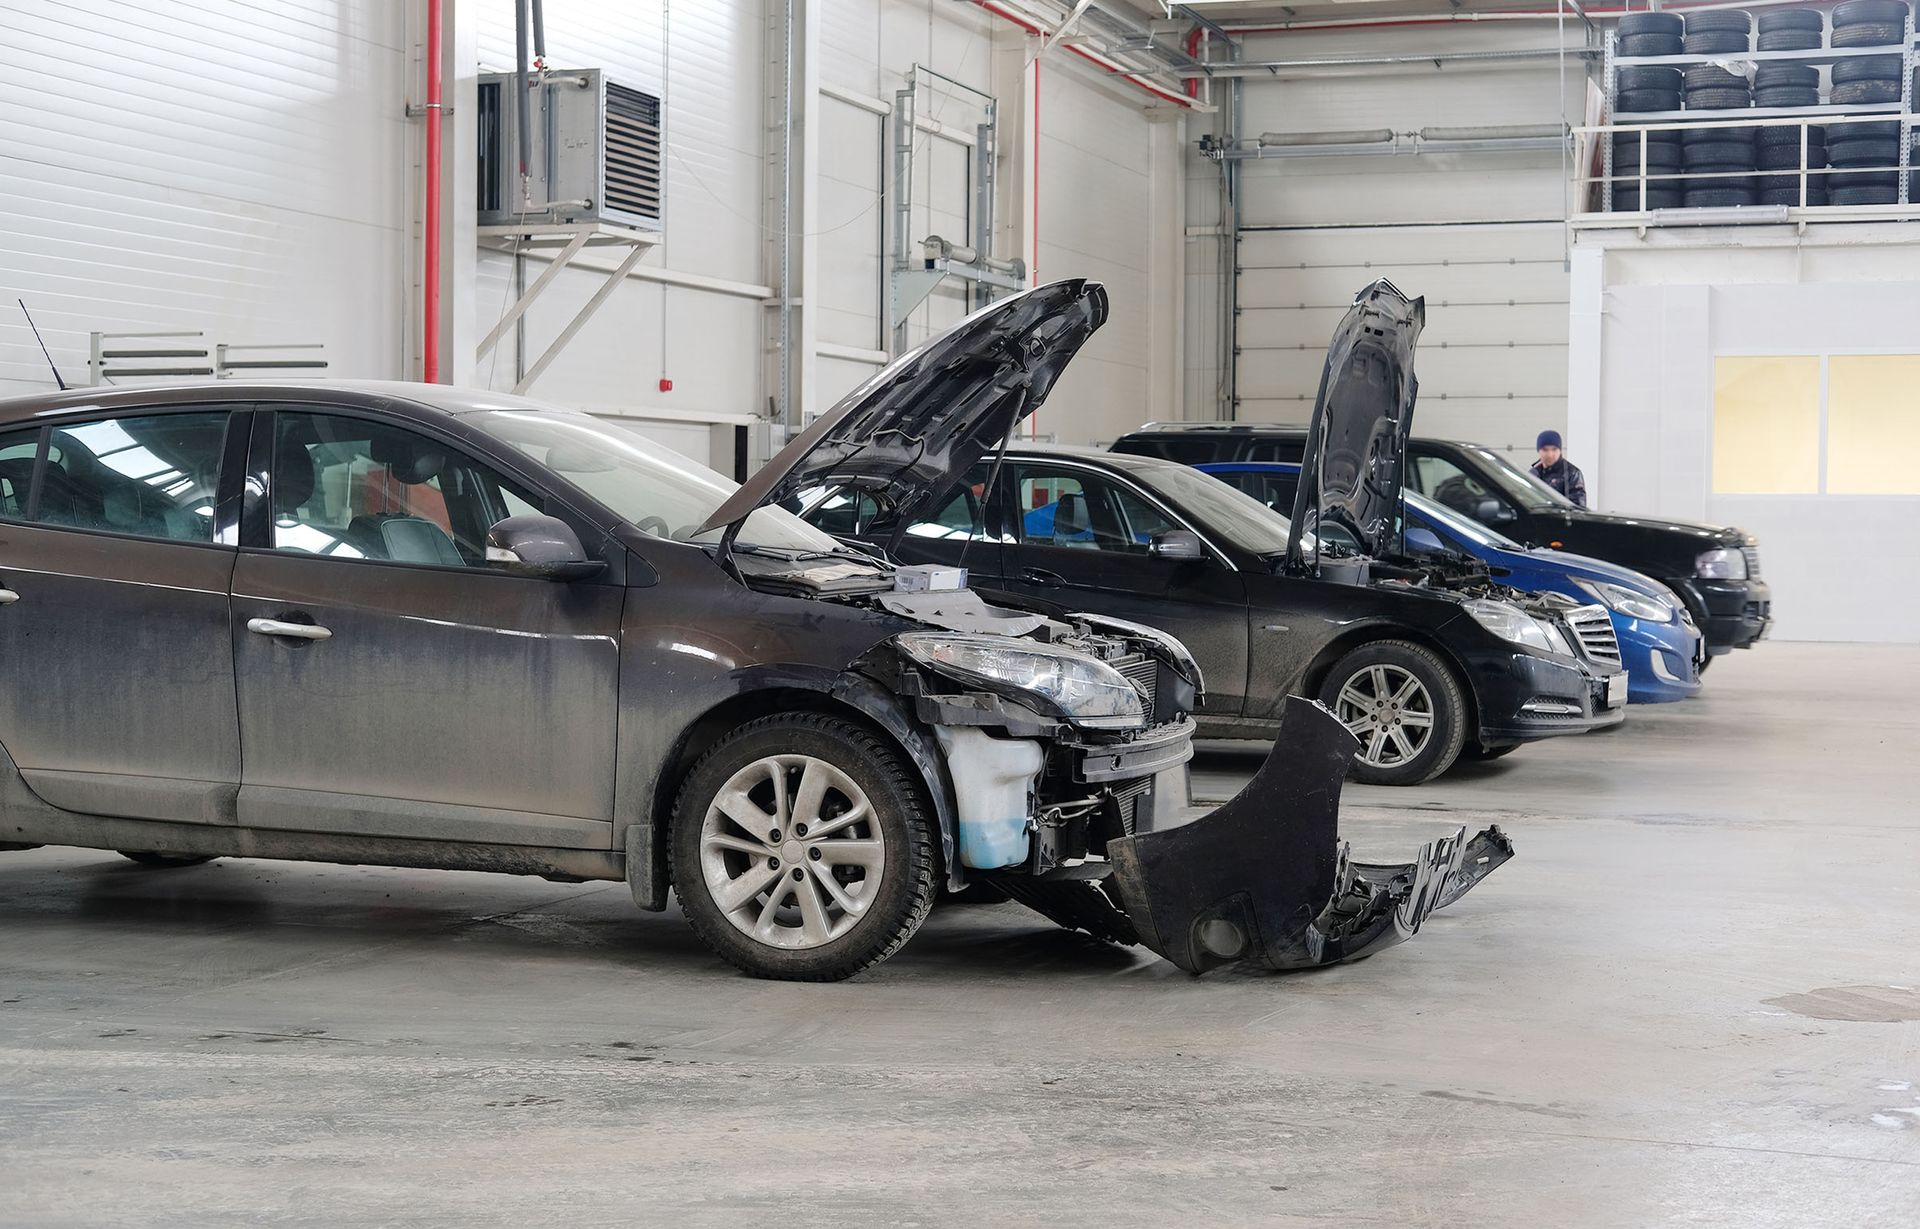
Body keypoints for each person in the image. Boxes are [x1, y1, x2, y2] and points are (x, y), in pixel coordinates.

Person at [1530, 430, 1587, 507]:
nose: (1550, 454)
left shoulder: (1572, 473)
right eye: (1545, 450)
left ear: (1560, 450)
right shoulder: (1533, 473)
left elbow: (1578, 508)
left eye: (1554, 449)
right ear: (1538, 450)